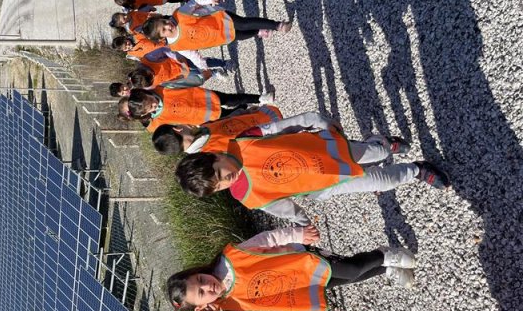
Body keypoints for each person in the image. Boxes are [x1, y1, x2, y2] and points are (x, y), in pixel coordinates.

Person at [174, 111, 450, 225]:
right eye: (220, 185)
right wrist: (302, 222)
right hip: (326, 184)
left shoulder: (246, 139)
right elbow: (281, 207)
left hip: (330, 148)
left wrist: (318, 120)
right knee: (378, 181)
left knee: (372, 152)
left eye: (220, 173)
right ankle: (416, 170)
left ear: (215, 156)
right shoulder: (246, 195)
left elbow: (285, 126)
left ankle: (382, 143)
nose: (227, 179)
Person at [167, 227, 418, 311]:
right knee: (349, 279)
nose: (207, 286)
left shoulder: (230, 258)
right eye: (201, 293)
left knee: (350, 268)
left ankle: (385, 255)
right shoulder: (228, 308)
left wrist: (297, 235)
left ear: (198, 272)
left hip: (303, 259)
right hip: (301, 286)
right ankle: (387, 268)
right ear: (202, 306)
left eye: (200, 280)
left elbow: (266, 240)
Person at [140, 0, 292, 53]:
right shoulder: (175, 46)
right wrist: (202, 64)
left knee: (243, 24)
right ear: (162, 37)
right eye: (164, 30)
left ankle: (277, 25)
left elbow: (194, 2)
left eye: (164, 22)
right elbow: (191, 54)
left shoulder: (179, 15)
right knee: (240, 36)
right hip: (220, 37)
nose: (168, 26)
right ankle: (258, 32)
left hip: (220, 18)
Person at [126, 86, 273, 133]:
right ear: (146, 114)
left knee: (231, 98)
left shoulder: (160, 89)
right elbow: (170, 129)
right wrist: (178, 128)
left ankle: (261, 98)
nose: (153, 105)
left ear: (146, 93)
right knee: (232, 116)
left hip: (204, 97)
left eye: (150, 101)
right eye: (150, 109)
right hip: (204, 116)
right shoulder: (158, 121)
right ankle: (250, 112)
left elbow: (180, 82)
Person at [152, 105, 282, 154]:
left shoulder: (202, 132)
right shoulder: (209, 152)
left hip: (265, 122)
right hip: (274, 134)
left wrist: (245, 111)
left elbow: (227, 120)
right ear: (177, 129)